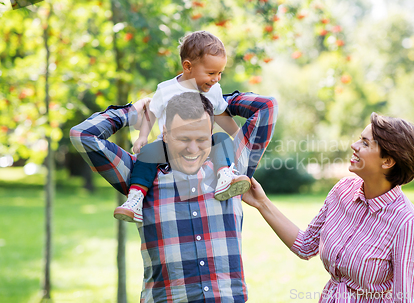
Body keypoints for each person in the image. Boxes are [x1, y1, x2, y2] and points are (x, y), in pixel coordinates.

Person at [70, 91, 277, 302]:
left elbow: (266, 106)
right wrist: (132, 113)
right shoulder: (140, 175)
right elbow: (83, 135)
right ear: (166, 134)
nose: (193, 149)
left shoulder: (233, 168)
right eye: (184, 139)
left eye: (202, 139)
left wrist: (214, 96)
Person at [242, 113, 414, 302]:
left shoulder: (407, 223)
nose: (354, 146)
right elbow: (305, 245)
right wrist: (261, 203)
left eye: (365, 143)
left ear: (387, 161)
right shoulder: (343, 190)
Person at [114, 31, 250, 223]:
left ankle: (224, 178)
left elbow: (220, 114)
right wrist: (143, 136)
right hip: (169, 146)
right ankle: (135, 198)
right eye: (211, 73)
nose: (216, 79)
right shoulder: (167, 89)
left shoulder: (214, 90)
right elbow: (151, 112)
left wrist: (238, 134)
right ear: (187, 67)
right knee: (148, 153)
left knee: (220, 140)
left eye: (220, 73)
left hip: (202, 145)